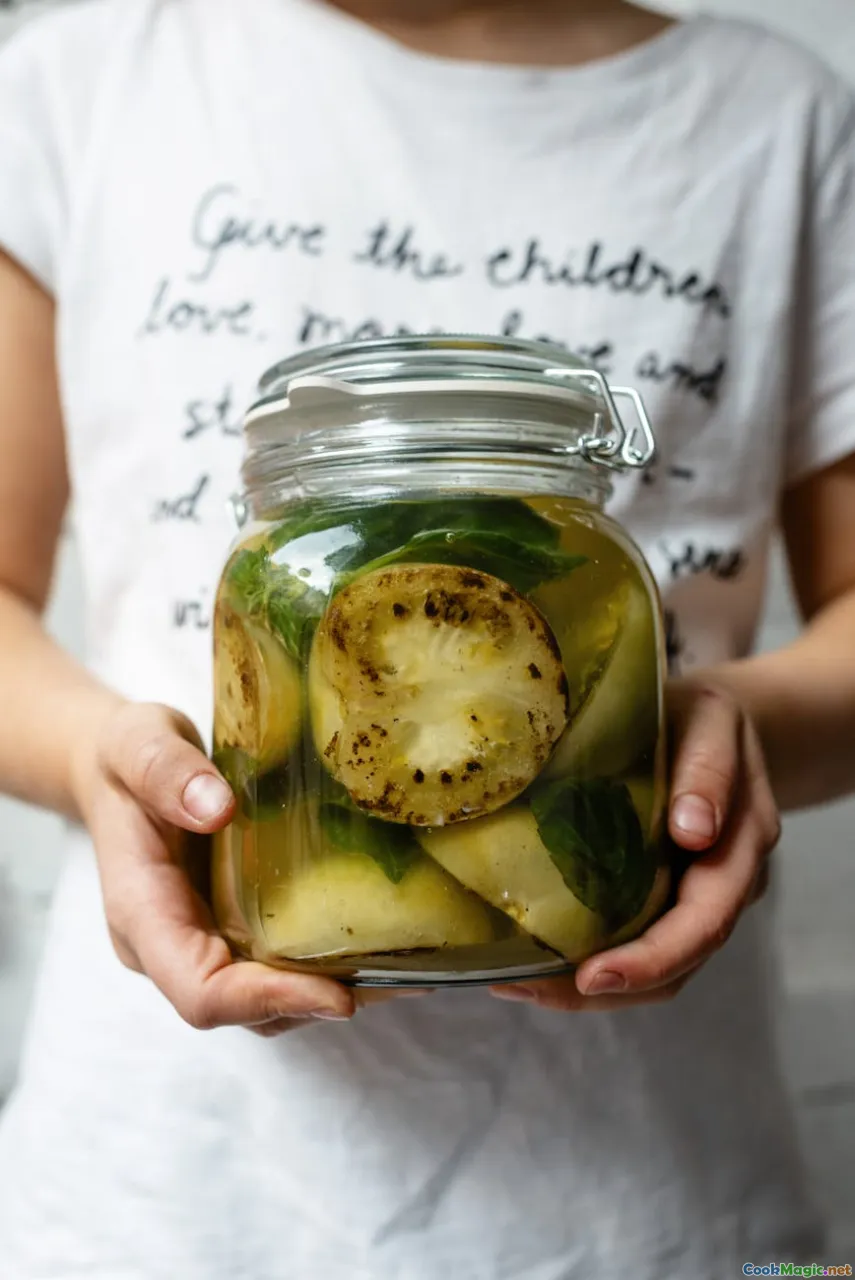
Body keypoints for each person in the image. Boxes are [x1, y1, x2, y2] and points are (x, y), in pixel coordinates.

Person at [0, 0, 854, 1275]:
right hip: (158, 1200)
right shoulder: (70, 82)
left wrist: (730, 730)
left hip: (663, 1203)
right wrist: (93, 760)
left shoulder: (788, 116)